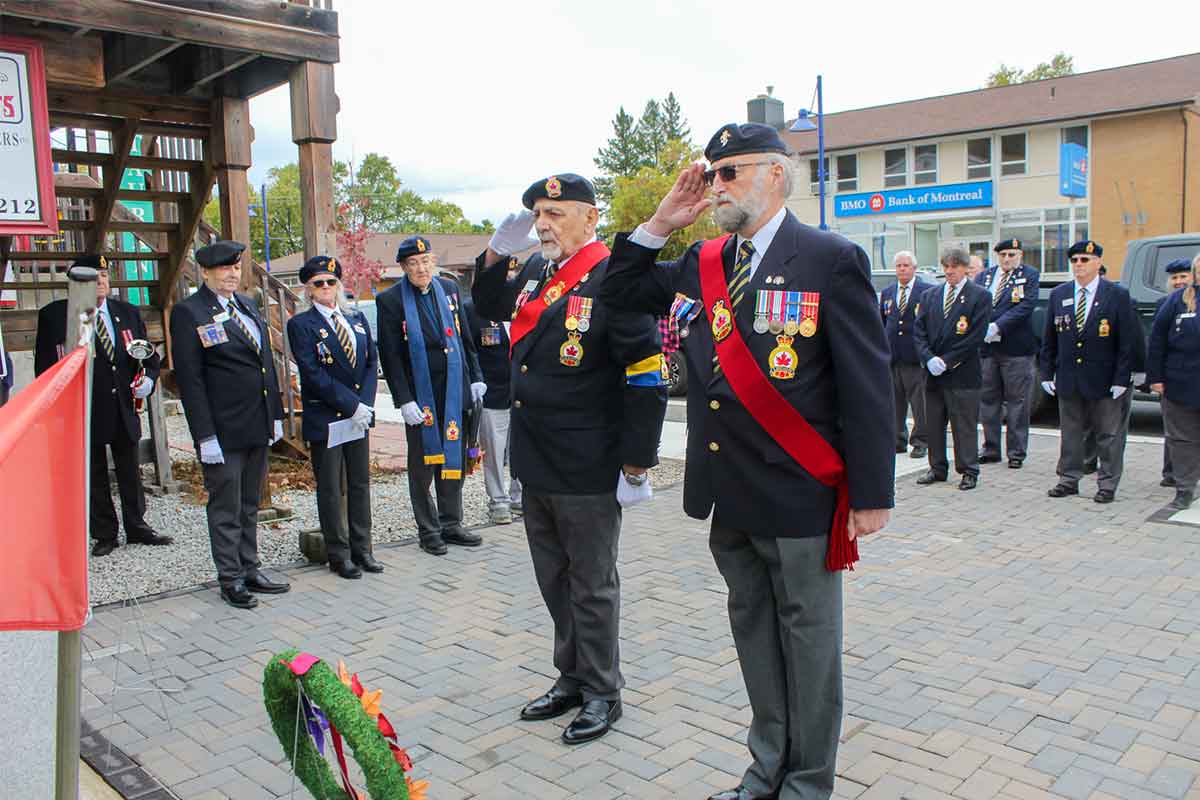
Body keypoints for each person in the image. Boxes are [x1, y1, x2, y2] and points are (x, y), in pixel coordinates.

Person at [601, 123, 893, 800]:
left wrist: (872, 492)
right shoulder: (705, 260)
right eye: (712, 173)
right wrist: (659, 223)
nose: (716, 186)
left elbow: (867, 382)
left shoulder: (829, 258)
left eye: (730, 172)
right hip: (728, 492)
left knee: (809, 649)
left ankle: (807, 784)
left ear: (776, 175)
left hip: (800, 492)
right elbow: (619, 293)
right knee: (756, 643)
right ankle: (765, 773)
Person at [474, 173, 667, 746]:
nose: (543, 224)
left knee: (592, 583)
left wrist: (637, 461)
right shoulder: (539, 271)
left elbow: (645, 373)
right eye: (538, 213)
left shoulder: (614, 277)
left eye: (555, 213)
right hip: (537, 457)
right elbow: (488, 305)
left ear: (591, 217)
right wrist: (495, 255)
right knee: (554, 579)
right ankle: (573, 676)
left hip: (588, 460)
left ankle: (604, 690)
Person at [170, 240, 289, 609]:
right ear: (205, 272)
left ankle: (249, 567)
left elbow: (265, 363)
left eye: (236, 268)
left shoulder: (247, 305)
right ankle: (231, 577)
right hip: (222, 431)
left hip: (256, 423)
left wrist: (276, 414)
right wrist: (204, 435)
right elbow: (191, 380)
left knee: (250, 502)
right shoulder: (190, 312)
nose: (232, 274)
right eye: (224, 268)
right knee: (226, 507)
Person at [34, 254, 172, 556]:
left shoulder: (127, 312)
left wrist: (148, 380)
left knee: (130, 468)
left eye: (104, 275)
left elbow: (147, 355)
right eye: (92, 277)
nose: (100, 282)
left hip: (123, 403)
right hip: (84, 407)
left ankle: (137, 525)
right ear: (75, 284)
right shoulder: (57, 316)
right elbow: (45, 368)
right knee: (94, 471)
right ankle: (104, 532)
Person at [377, 236, 486, 556]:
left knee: (454, 457)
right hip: (420, 396)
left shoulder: (449, 289)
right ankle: (428, 530)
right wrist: (404, 399)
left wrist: (476, 377)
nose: (421, 268)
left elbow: (465, 339)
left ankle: (451, 523)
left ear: (434, 262)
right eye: (413, 263)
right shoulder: (390, 301)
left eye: (425, 262)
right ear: (403, 267)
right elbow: (390, 355)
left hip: (454, 389)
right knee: (423, 465)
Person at [287, 256, 381, 579]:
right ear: (309, 289)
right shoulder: (302, 325)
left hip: (358, 417)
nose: (326, 287)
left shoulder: (356, 318)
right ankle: (338, 554)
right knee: (330, 488)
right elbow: (312, 373)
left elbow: (371, 362)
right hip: (328, 418)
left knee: (359, 484)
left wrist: (364, 404)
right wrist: (351, 405)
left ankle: (363, 549)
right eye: (319, 283)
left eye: (331, 281)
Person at [1040, 240, 1137, 504]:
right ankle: (1068, 479)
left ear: (1098, 263)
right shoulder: (1059, 294)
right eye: (1075, 260)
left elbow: (1126, 342)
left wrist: (1121, 378)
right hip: (1070, 377)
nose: (1079, 265)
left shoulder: (1116, 294)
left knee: (1108, 435)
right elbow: (1049, 339)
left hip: (1104, 379)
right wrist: (1046, 373)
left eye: (1085, 260)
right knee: (1071, 434)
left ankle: (1107, 484)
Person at [913, 247, 991, 490]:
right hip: (933, 374)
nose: (949, 271)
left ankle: (968, 470)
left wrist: (946, 361)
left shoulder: (980, 296)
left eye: (954, 267)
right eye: (946, 266)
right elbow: (919, 331)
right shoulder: (931, 295)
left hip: (962, 373)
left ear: (965, 268)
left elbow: (975, 336)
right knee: (934, 423)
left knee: (963, 424)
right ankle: (937, 467)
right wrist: (928, 358)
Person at [462, 265, 522, 524]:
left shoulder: (523, 307)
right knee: (495, 453)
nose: (508, 281)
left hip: (523, 394)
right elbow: (468, 351)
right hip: (492, 394)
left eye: (511, 277)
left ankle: (520, 497)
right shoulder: (473, 309)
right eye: (502, 277)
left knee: (522, 450)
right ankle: (498, 501)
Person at [977, 239, 1040, 469]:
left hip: (1016, 349)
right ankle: (991, 448)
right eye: (1003, 254)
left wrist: (998, 326)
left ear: (1020, 255)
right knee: (988, 400)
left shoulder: (1029, 275)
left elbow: (1025, 306)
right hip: (988, 349)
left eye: (1011, 254)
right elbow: (976, 303)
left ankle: (1016, 452)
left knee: (1017, 402)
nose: (1007, 259)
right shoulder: (985, 276)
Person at [1147, 253, 1200, 510]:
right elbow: (1157, 340)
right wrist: (1155, 377)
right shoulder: (1177, 300)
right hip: (1181, 382)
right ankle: (1184, 489)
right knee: (1182, 440)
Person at [880, 250, 934, 459]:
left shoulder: (926, 291)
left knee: (919, 403)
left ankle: (920, 441)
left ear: (914, 268)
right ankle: (897, 440)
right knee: (895, 402)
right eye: (899, 266)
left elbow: (930, 323)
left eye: (906, 266)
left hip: (915, 356)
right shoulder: (888, 292)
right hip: (893, 356)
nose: (902, 269)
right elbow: (883, 322)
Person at [1154, 258, 1195, 488]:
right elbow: (1157, 341)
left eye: (1183, 276)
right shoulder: (1165, 303)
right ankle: (1171, 472)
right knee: (1173, 430)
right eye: (1174, 277)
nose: (1178, 281)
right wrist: (1156, 376)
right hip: (1173, 376)